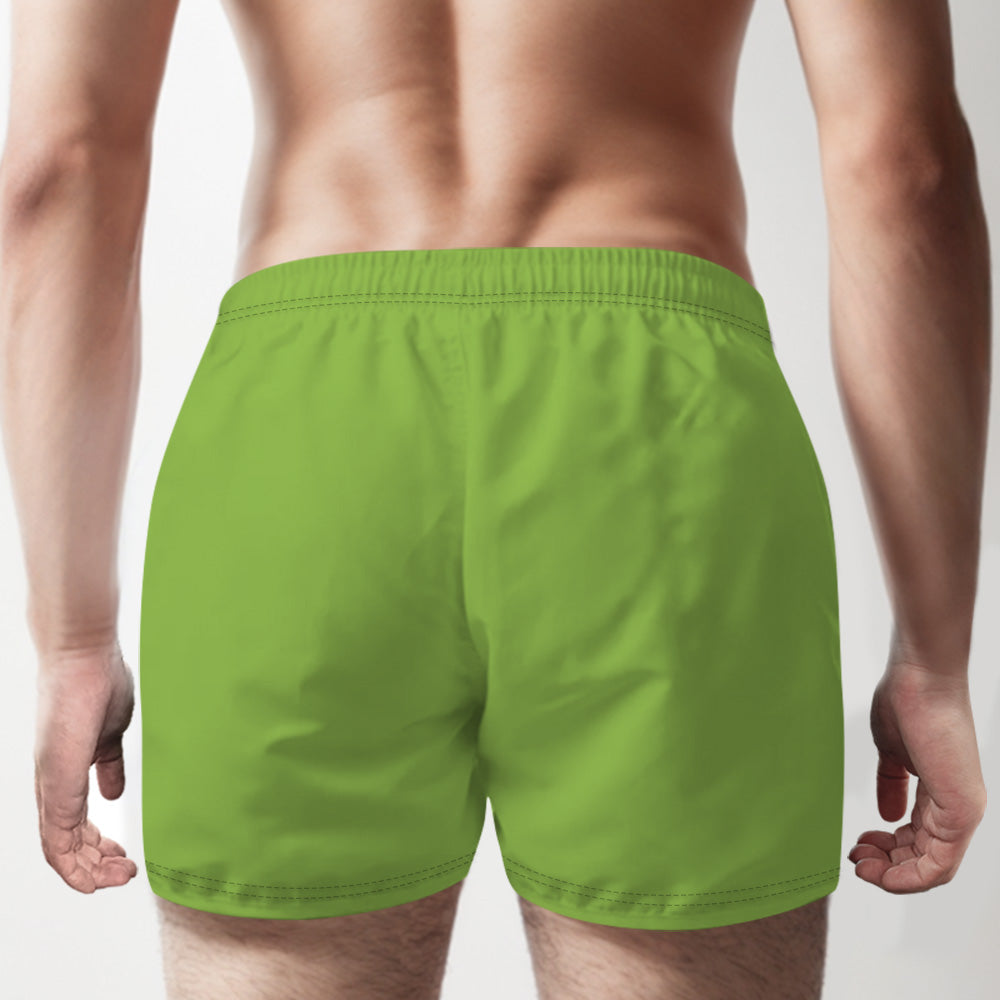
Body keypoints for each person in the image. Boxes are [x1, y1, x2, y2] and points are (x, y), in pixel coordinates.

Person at [0, 0, 990, 996]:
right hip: (660, 444)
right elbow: (900, 160)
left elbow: (61, 163)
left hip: (301, 446)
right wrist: (935, 658)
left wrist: (73, 636)